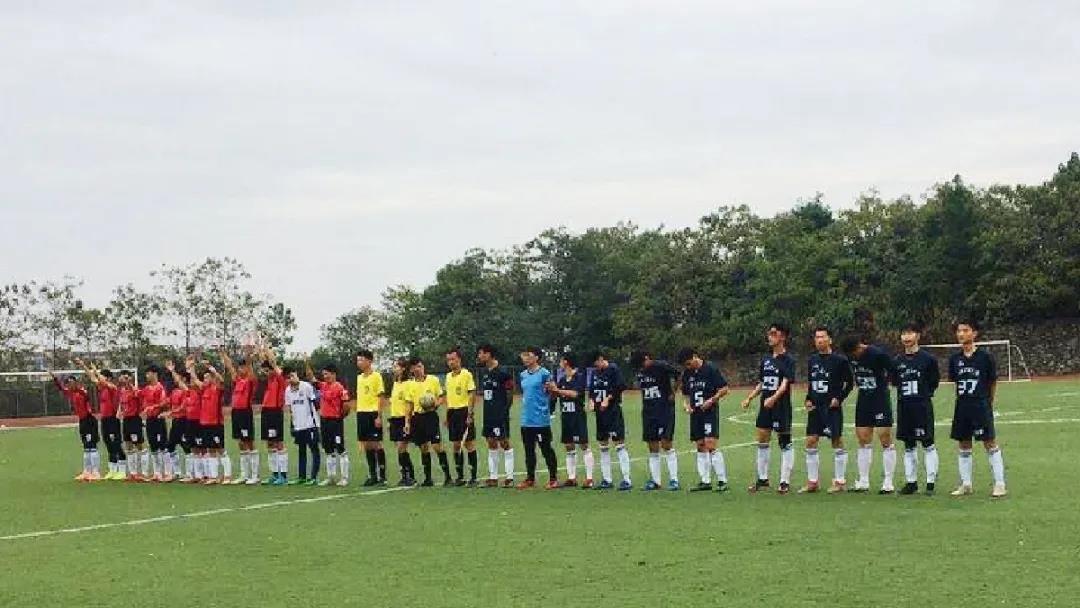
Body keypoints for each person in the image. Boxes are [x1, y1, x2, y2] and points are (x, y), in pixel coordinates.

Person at [948, 319, 1007, 498]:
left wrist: (988, 402)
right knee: (963, 444)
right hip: (962, 406)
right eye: (959, 331)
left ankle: (1000, 484)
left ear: (974, 333)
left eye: (965, 330)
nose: (961, 334)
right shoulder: (955, 359)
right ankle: (966, 484)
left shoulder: (985, 357)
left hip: (980, 405)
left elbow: (992, 382)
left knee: (989, 442)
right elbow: (955, 383)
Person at [741, 323, 797, 494]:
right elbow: (762, 382)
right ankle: (762, 478)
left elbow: (785, 383)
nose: (770, 336)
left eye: (774, 333)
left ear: (782, 337)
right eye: (769, 333)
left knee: (784, 441)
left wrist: (774, 398)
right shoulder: (766, 359)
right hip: (765, 405)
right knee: (762, 439)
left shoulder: (788, 360)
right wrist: (750, 397)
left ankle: (785, 481)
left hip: (780, 406)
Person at [840, 334, 899, 494]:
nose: (854, 357)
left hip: (880, 399)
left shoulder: (878, 354)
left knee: (885, 438)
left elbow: (894, 370)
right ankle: (863, 481)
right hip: (863, 399)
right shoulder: (851, 357)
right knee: (863, 439)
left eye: (855, 353)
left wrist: (888, 382)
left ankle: (888, 482)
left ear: (860, 346)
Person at [800, 327, 854, 494]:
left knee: (836, 441)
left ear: (830, 340)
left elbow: (849, 383)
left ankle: (840, 481)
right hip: (815, 408)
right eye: (817, 337)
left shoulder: (840, 360)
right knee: (811, 441)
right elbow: (812, 382)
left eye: (822, 337)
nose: (819, 340)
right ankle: (812, 482)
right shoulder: (812, 360)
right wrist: (808, 398)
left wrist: (839, 398)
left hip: (831, 408)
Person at [893, 323, 941, 496]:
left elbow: (934, 381)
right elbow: (895, 382)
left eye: (910, 333)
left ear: (918, 336)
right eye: (904, 333)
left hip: (922, 407)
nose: (906, 337)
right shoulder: (897, 361)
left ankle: (930, 482)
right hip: (904, 407)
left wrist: (924, 395)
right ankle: (911, 482)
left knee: (927, 443)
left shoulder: (928, 359)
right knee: (908, 445)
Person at [677, 348, 730, 493]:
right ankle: (705, 481)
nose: (688, 367)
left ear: (695, 356)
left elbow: (724, 389)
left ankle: (722, 480)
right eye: (685, 365)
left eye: (689, 363)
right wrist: (686, 404)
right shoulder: (687, 373)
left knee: (710, 444)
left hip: (709, 412)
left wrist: (712, 400)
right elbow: (685, 393)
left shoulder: (710, 369)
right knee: (700, 445)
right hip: (695, 414)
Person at [632, 350, 681, 491]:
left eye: (642, 363)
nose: (642, 367)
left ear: (647, 358)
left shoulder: (660, 366)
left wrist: (673, 392)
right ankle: (655, 481)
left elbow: (678, 374)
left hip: (664, 409)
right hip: (648, 411)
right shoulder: (641, 371)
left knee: (666, 443)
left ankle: (674, 480)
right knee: (652, 446)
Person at [403, 357, 451, 486]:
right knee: (423, 448)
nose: (418, 369)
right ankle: (428, 478)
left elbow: (441, 397)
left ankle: (448, 477)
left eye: (420, 366)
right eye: (415, 367)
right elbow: (409, 405)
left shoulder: (433, 380)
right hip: (417, 418)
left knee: (437, 446)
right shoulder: (410, 384)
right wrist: (407, 422)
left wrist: (435, 405)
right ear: (412, 370)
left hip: (430, 416)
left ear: (423, 367)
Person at [75, 358, 126, 480]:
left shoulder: (112, 387)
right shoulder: (102, 388)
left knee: (116, 444)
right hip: (104, 419)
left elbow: (99, 379)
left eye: (102, 376)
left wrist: (96, 371)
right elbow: (93, 378)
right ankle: (112, 470)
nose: (99, 378)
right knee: (108, 444)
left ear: (108, 378)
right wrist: (83, 365)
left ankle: (122, 470)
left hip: (113, 419)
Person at [548, 352, 593, 488]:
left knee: (584, 445)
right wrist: (550, 390)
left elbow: (575, 394)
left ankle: (589, 478)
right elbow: (555, 395)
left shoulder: (579, 377)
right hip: (566, 417)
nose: (560, 363)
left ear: (566, 362)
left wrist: (558, 391)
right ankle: (571, 478)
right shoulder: (562, 380)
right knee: (569, 446)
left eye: (561, 360)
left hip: (577, 417)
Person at [589, 351, 631, 490]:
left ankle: (626, 479)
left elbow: (621, 386)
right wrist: (591, 401)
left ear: (601, 359)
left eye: (597, 363)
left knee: (619, 444)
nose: (596, 367)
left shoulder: (613, 369)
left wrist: (608, 398)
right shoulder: (595, 373)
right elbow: (592, 390)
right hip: (600, 413)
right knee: (603, 445)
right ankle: (607, 479)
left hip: (613, 412)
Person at [518, 346, 558, 489]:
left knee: (546, 450)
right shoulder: (523, 375)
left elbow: (553, 392)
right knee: (529, 451)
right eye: (524, 355)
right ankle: (530, 478)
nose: (525, 358)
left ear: (536, 357)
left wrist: (549, 408)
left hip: (540, 420)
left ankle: (553, 478)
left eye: (528, 355)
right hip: (526, 419)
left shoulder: (544, 373)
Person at [307, 361, 351, 487]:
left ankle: (344, 478)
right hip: (324, 421)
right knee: (328, 449)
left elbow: (346, 405)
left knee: (340, 448)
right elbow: (311, 378)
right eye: (323, 374)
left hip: (335, 421)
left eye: (326, 374)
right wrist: (307, 362)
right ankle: (331, 477)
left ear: (333, 374)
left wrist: (340, 416)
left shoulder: (340, 388)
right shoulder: (323, 385)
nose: (324, 376)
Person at [188, 356, 231, 484]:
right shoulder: (204, 389)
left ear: (212, 379)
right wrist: (191, 368)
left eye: (207, 378)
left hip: (216, 424)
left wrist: (211, 369)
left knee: (220, 449)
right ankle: (213, 477)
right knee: (210, 450)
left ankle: (227, 476)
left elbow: (221, 380)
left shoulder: (217, 389)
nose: (205, 380)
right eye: (204, 378)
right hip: (205, 424)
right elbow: (195, 380)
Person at [51, 369, 100, 481]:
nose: (70, 385)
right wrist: (55, 379)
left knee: (92, 446)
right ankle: (87, 471)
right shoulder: (71, 393)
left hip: (89, 420)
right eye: (68, 383)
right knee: (86, 447)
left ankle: (95, 472)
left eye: (71, 383)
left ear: (76, 383)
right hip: (82, 421)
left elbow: (86, 396)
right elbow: (61, 389)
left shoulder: (82, 391)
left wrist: (77, 386)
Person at [477, 345, 515, 488]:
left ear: (489, 354)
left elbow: (510, 393)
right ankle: (493, 478)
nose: (479, 356)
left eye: (481, 353)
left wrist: (505, 411)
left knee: (504, 442)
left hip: (500, 414)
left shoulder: (503, 372)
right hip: (488, 414)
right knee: (491, 442)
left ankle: (510, 477)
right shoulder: (485, 373)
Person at [220, 348, 258, 485]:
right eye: (240, 367)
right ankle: (244, 475)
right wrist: (223, 353)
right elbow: (230, 367)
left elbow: (250, 367)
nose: (240, 369)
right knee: (241, 443)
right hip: (235, 413)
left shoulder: (250, 380)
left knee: (249, 442)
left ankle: (254, 475)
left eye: (243, 367)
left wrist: (248, 356)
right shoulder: (237, 380)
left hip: (245, 413)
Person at [444, 347, 478, 486]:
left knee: (469, 443)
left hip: (464, 411)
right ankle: (460, 476)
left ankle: (473, 477)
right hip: (452, 412)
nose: (451, 362)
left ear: (459, 359)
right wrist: (447, 415)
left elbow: (472, 394)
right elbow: (449, 397)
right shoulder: (448, 377)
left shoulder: (466, 374)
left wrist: (470, 413)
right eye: (448, 360)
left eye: (453, 359)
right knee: (456, 445)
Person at [355, 348, 389, 486]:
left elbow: (381, 397)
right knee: (367, 445)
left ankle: (383, 476)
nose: (359, 362)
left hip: (372, 413)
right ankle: (373, 475)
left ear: (369, 361)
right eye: (358, 360)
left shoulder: (376, 376)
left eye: (361, 360)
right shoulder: (359, 378)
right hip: (361, 413)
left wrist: (379, 416)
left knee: (376, 444)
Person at [284, 365, 320, 485]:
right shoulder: (287, 390)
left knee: (314, 449)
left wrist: (316, 421)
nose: (291, 379)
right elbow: (290, 409)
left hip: (310, 424)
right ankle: (302, 477)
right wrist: (292, 425)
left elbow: (316, 403)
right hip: (298, 426)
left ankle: (314, 477)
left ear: (296, 374)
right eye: (288, 377)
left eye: (292, 375)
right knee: (301, 450)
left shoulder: (306, 387)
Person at [259, 347, 289, 485]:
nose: (265, 373)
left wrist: (266, 348)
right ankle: (275, 474)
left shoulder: (279, 378)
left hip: (275, 412)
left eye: (267, 371)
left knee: (278, 442)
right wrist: (261, 349)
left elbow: (273, 362)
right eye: (264, 371)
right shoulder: (270, 380)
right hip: (266, 412)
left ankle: (283, 475)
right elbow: (265, 361)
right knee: (270, 443)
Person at [388, 358, 417, 486]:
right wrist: (390, 421)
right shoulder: (395, 384)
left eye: (396, 366)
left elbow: (409, 404)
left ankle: (410, 475)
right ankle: (404, 475)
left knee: (402, 447)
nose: (394, 369)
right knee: (399, 449)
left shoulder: (408, 384)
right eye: (394, 367)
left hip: (403, 419)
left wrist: (407, 422)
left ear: (403, 368)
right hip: (395, 419)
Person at [140, 366, 170, 482]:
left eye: (148, 374)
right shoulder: (146, 389)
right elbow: (143, 402)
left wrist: (153, 407)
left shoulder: (160, 387)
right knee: (153, 447)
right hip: (150, 420)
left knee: (162, 446)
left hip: (158, 420)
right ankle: (157, 473)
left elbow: (164, 403)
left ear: (154, 374)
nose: (147, 376)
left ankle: (167, 472)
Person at [118, 369, 148, 481]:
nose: (123, 379)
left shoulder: (135, 390)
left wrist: (129, 383)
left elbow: (139, 398)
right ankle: (132, 473)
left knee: (139, 445)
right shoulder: (122, 391)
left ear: (130, 378)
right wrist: (120, 411)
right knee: (128, 445)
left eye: (126, 377)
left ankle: (144, 473)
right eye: (122, 377)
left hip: (135, 420)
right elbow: (122, 404)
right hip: (126, 420)